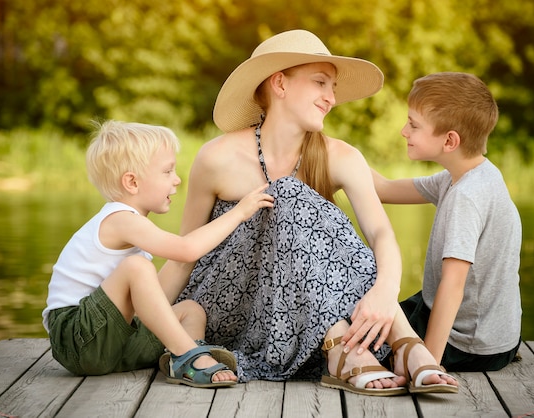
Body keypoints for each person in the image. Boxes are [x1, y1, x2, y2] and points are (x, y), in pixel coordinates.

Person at [160, 29, 458, 395]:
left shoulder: (342, 156)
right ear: (280, 84)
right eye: (320, 83)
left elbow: (380, 233)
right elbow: (185, 255)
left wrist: (385, 289)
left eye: (332, 87)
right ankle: (353, 349)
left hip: (299, 314)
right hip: (231, 311)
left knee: (304, 203)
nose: (331, 98)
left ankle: (401, 342)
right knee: (286, 191)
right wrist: (144, 315)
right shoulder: (216, 158)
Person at [41, 120, 274, 388]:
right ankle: (189, 355)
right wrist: (239, 213)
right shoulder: (119, 219)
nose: (177, 180)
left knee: (191, 310)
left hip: (114, 342)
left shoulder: (133, 225)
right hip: (77, 337)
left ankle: (181, 362)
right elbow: (186, 249)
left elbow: (157, 292)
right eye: (167, 171)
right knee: (138, 267)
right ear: (132, 182)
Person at [372, 72, 522, 372]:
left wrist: (427, 362)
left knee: (363, 340)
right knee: (376, 315)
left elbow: (453, 286)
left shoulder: (467, 196)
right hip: (496, 333)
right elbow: (385, 189)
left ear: (450, 140)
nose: (404, 131)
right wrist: (331, 153)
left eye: (413, 125)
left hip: (469, 343)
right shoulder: (465, 175)